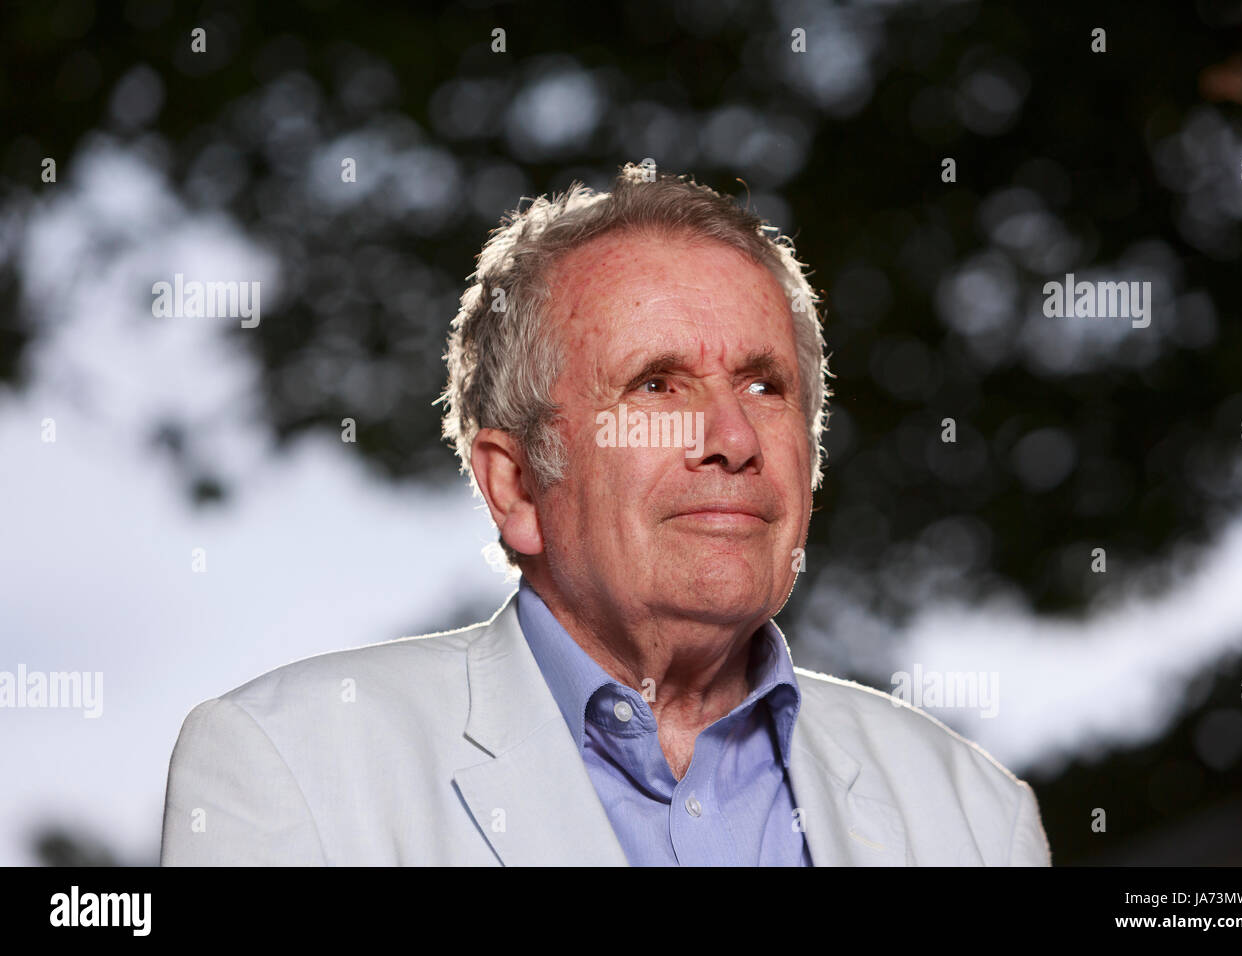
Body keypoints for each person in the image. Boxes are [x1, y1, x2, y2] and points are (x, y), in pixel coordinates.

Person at [160, 163, 1052, 866]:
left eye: (763, 384)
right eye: (657, 385)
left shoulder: (975, 813)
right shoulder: (291, 767)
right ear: (515, 488)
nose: (732, 437)